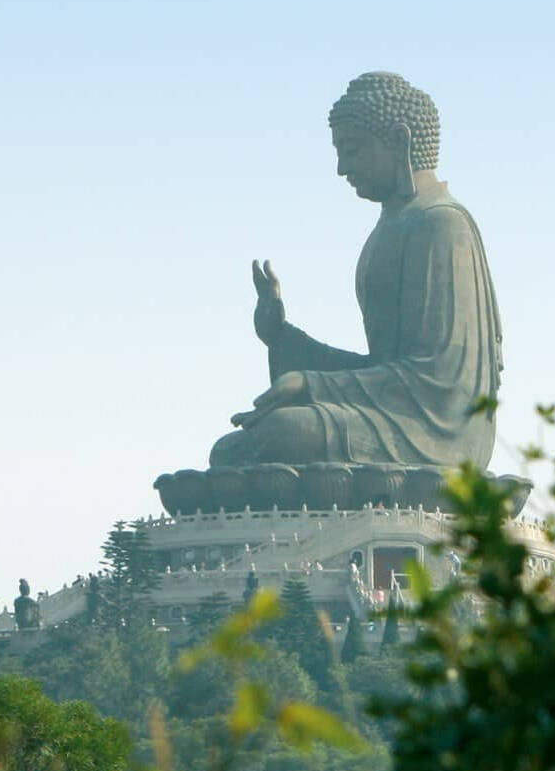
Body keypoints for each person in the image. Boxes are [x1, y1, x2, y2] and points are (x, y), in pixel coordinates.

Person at [209, 72, 504, 474]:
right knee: (233, 450)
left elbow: (440, 383)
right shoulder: (392, 225)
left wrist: (311, 384)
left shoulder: (442, 226)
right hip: (394, 415)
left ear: (400, 141)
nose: (341, 168)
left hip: (438, 434)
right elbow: (380, 369)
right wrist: (282, 338)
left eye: (353, 150)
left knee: (280, 433)